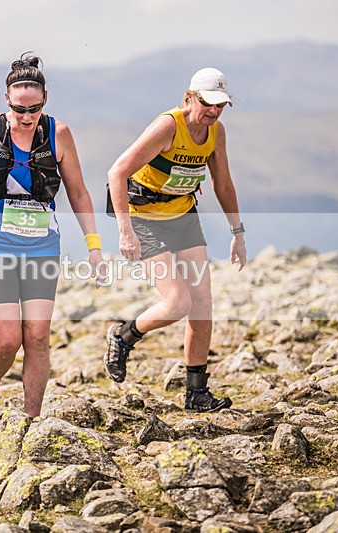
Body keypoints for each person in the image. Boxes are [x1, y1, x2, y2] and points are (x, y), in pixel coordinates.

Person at [0, 54, 104, 439]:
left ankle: (30, 425)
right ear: (6, 100)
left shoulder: (59, 134)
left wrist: (94, 247)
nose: (26, 116)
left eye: (33, 109)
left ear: (45, 100)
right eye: (19, 109)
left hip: (41, 247)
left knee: (37, 336)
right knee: (8, 339)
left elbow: (79, 193)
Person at [104, 67, 246, 412]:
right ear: (190, 97)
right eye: (207, 104)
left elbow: (222, 184)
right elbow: (116, 172)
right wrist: (125, 230)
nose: (213, 112)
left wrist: (237, 232)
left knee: (202, 302)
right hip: (145, 216)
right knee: (177, 303)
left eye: (220, 106)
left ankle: (196, 393)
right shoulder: (168, 126)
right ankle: (123, 335)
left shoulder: (216, 133)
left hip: (182, 214)